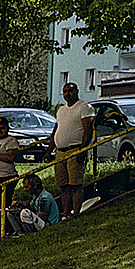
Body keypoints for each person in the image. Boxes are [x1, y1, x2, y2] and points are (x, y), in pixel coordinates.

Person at [51, 81, 93, 218]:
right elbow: (56, 130)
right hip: (60, 152)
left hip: (75, 150)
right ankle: (66, 213)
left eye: (70, 91)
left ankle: (76, 213)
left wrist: (83, 150)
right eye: (64, 91)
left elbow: (88, 130)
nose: (67, 94)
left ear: (76, 92)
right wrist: (49, 150)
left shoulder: (84, 107)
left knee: (75, 184)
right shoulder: (61, 110)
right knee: (63, 186)